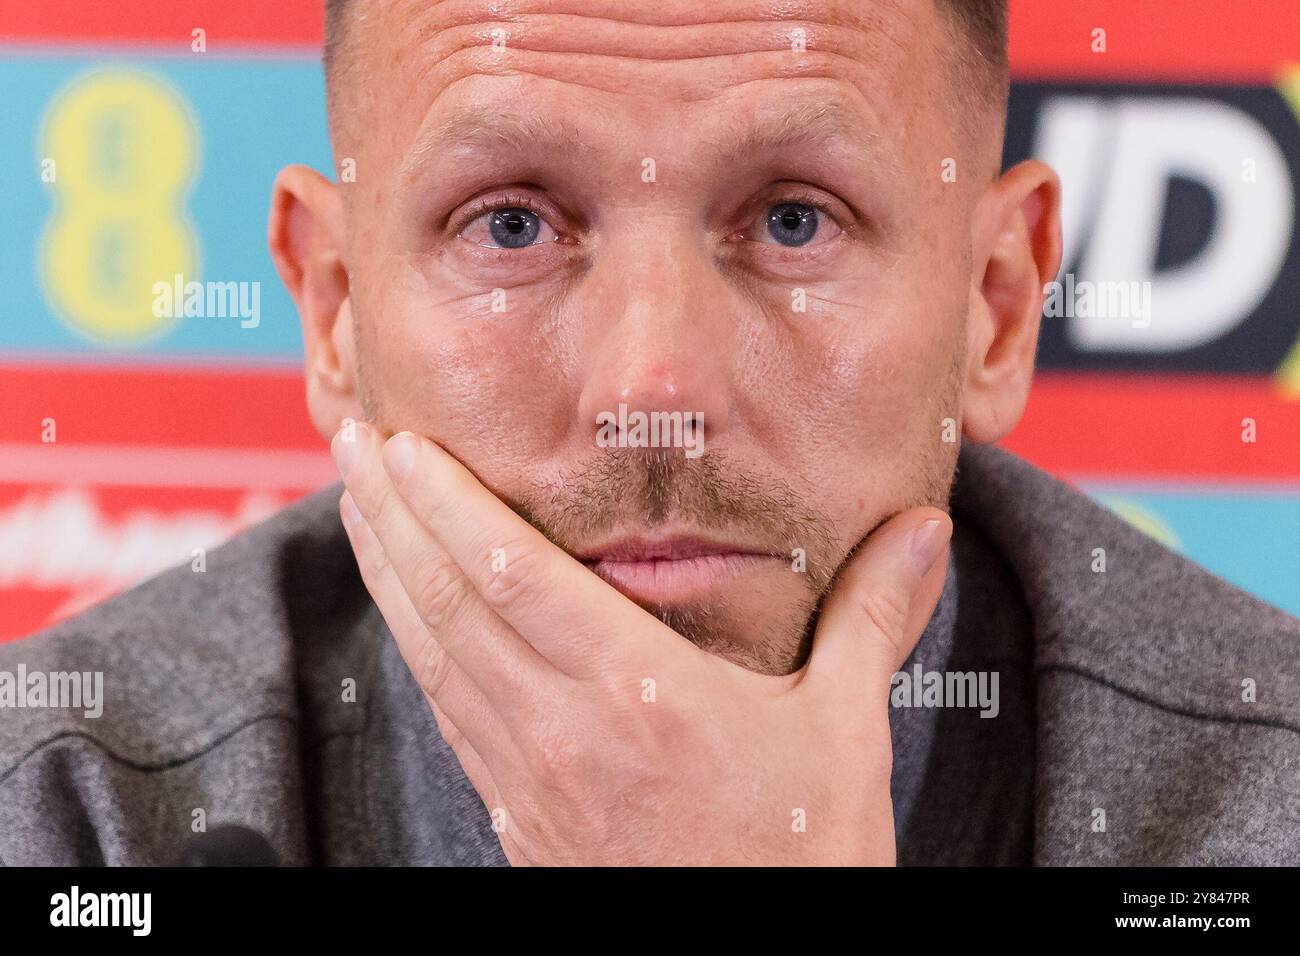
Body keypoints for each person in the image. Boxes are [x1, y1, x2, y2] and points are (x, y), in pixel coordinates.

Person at [1, 0, 1296, 866]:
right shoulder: (65, 812)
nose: (653, 388)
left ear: (996, 308)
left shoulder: (1264, 797)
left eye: (795, 220)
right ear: (336, 314)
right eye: (510, 225)